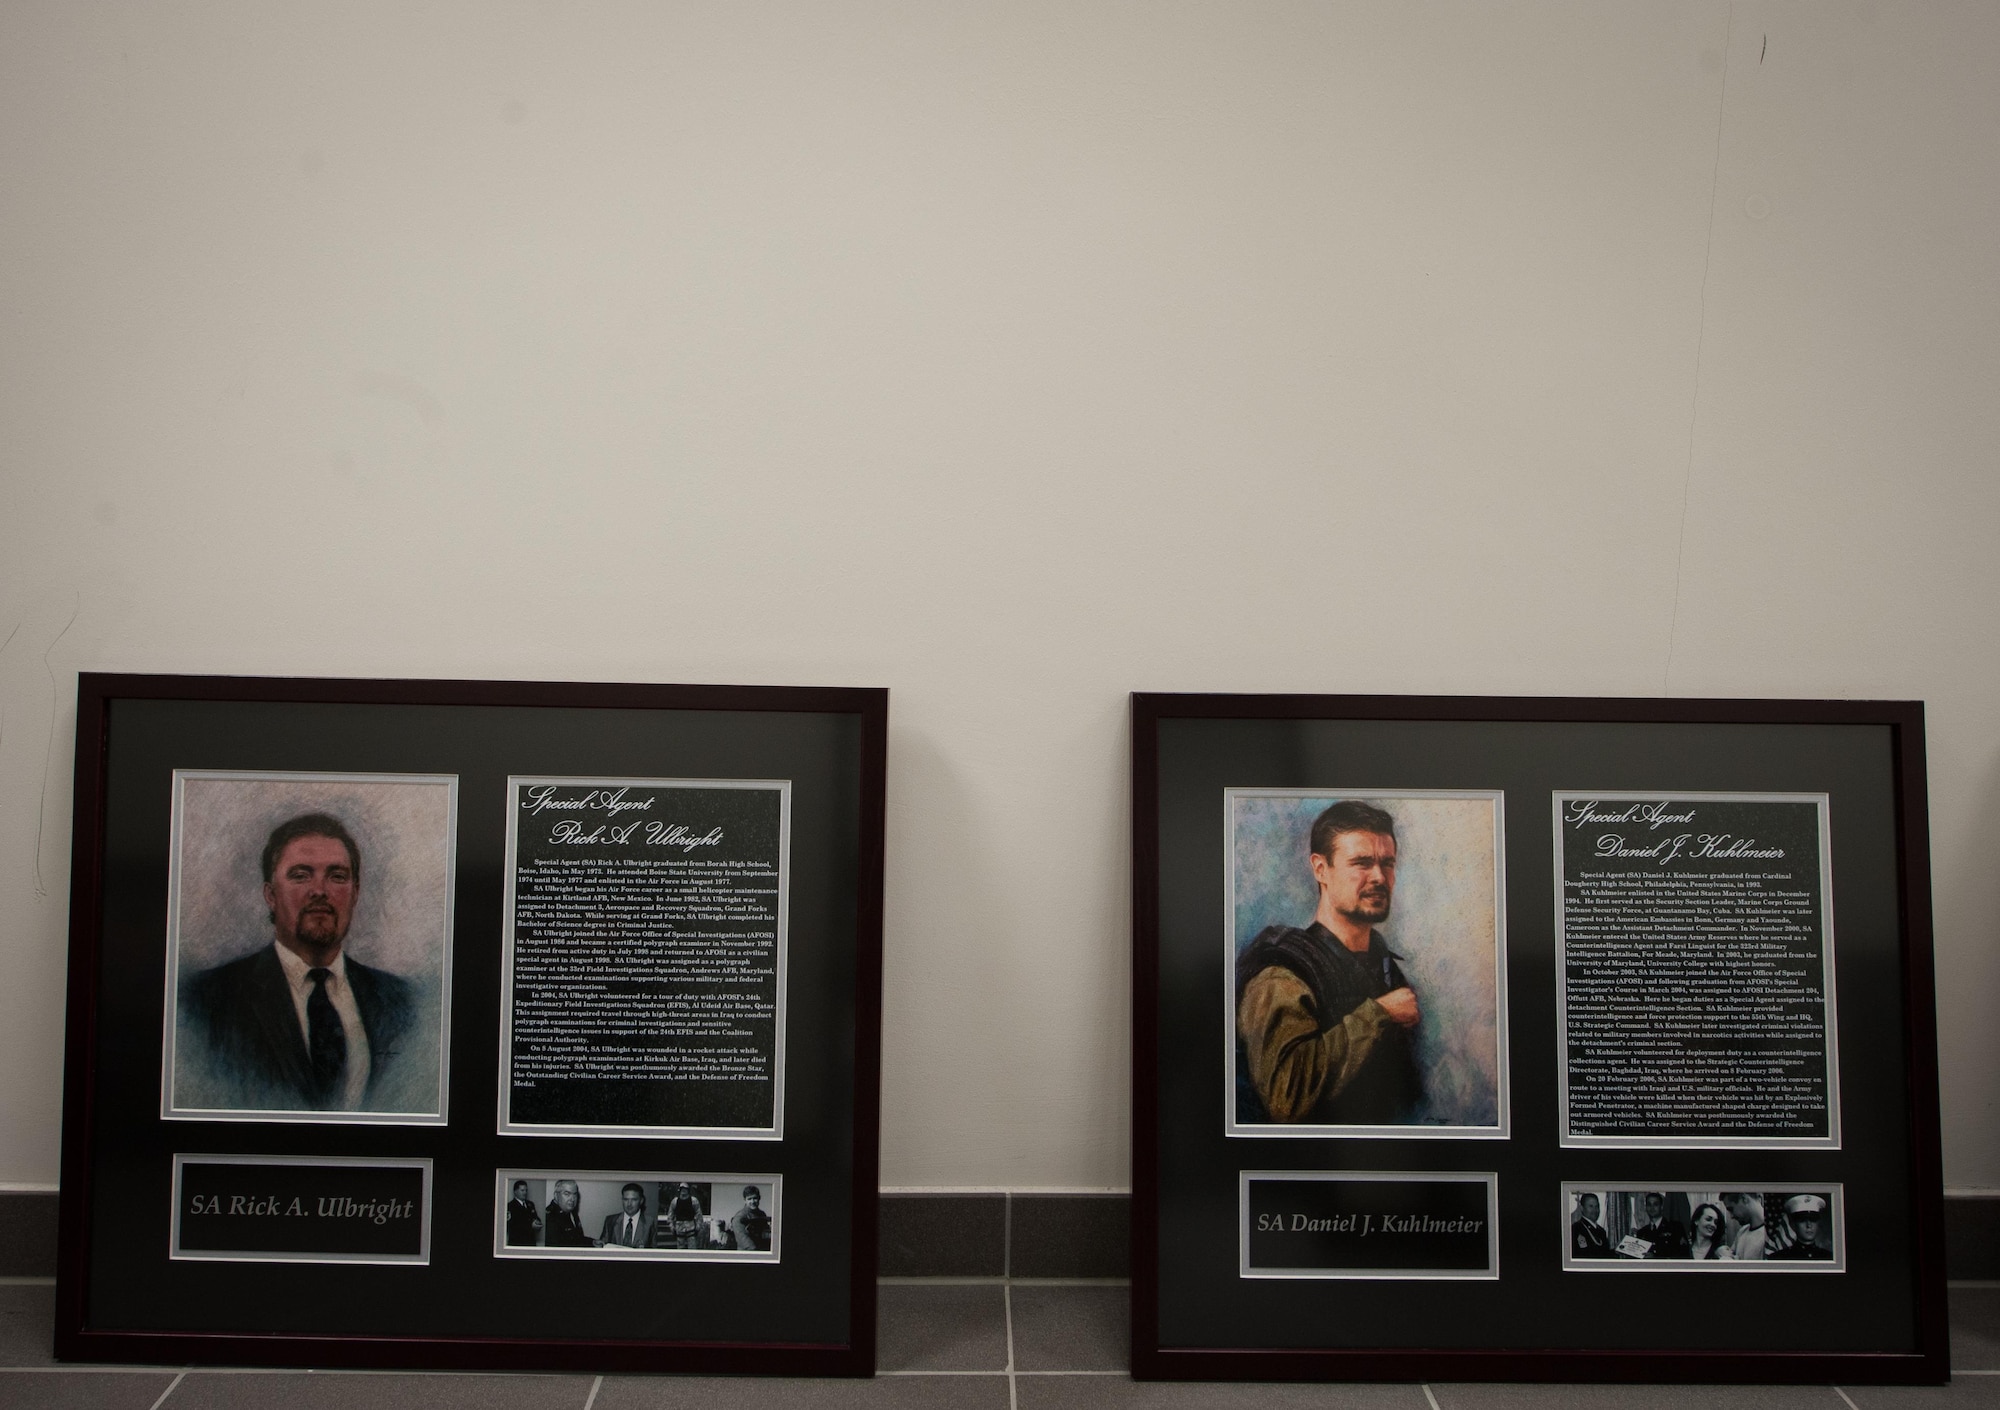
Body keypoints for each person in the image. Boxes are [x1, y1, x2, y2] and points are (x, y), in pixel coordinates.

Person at [180, 813, 416, 1112]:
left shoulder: (402, 1003)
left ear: (355, 893)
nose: (320, 890)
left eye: (337, 876)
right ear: (270, 895)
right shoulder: (206, 1001)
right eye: (301, 875)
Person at [1235, 801, 1423, 1124]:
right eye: (1362, 862)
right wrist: (1380, 1014)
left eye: (1387, 863)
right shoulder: (1281, 973)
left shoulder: (1388, 971)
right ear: (1321, 869)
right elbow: (1286, 1096)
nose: (1379, 877)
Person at [1768, 1196, 1833, 1260]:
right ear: (1793, 1224)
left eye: (1813, 1219)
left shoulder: (1829, 1257)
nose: (1809, 1225)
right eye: (1803, 1220)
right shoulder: (1778, 1258)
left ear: (1818, 1223)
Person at [1630, 1192, 1689, 1259]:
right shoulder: (1642, 1233)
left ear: (1661, 1207)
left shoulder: (1675, 1227)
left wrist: (1657, 1258)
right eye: (1649, 1204)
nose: (1652, 1208)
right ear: (1645, 1207)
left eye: (1655, 1204)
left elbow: (1684, 1254)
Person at [599, 1182, 654, 1248]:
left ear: (641, 1201)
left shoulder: (649, 1222)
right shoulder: (611, 1221)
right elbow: (602, 1245)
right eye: (626, 1199)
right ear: (622, 1200)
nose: (629, 1204)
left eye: (634, 1200)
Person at [655, 1182, 706, 1250]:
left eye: (685, 1189)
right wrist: (672, 1227)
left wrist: (698, 1226)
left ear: (688, 1190)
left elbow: (698, 1214)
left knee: (692, 1248)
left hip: (691, 1228)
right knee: (680, 1248)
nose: (683, 1191)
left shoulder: (694, 1201)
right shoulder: (675, 1201)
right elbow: (670, 1215)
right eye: (682, 1189)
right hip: (679, 1228)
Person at [724, 1185, 772, 1252]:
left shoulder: (762, 1214)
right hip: (747, 1253)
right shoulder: (739, 1217)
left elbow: (766, 1234)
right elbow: (745, 1242)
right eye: (749, 1199)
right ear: (745, 1200)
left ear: (759, 1198)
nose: (752, 1202)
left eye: (755, 1198)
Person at [1722, 1192, 1768, 1260]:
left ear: (1744, 1199)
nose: (1731, 1216)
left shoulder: (1771, 1235)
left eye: (1731, 1209)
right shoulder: (1742, 1232)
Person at [544, 1179, 590, 1247]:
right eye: (567, 1194)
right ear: (556, 1195)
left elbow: (576, 1238)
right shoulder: (549, 1217)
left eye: (575, 1194)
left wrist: (592, 1242)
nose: (572, 1199)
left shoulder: (571, 1212)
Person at [1570, 1192, 1612, 1258]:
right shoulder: (1576, 1229)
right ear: (1582, 1208)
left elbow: (1605, 1254)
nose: (1595, 1210)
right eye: (1591, 1206)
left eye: (1597, 1206)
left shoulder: (1601, 1231)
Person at [505, 1180, 543, 1246]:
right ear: (515, 1191)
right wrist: (530, 1226)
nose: (525, 1192)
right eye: (522, 1190)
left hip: (530, 1242)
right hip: (517, 1243)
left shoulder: (530, 1204)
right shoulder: (510, 1206)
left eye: (526, 1190)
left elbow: (535, 1217)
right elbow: (511, 1226)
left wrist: (538, 1223)